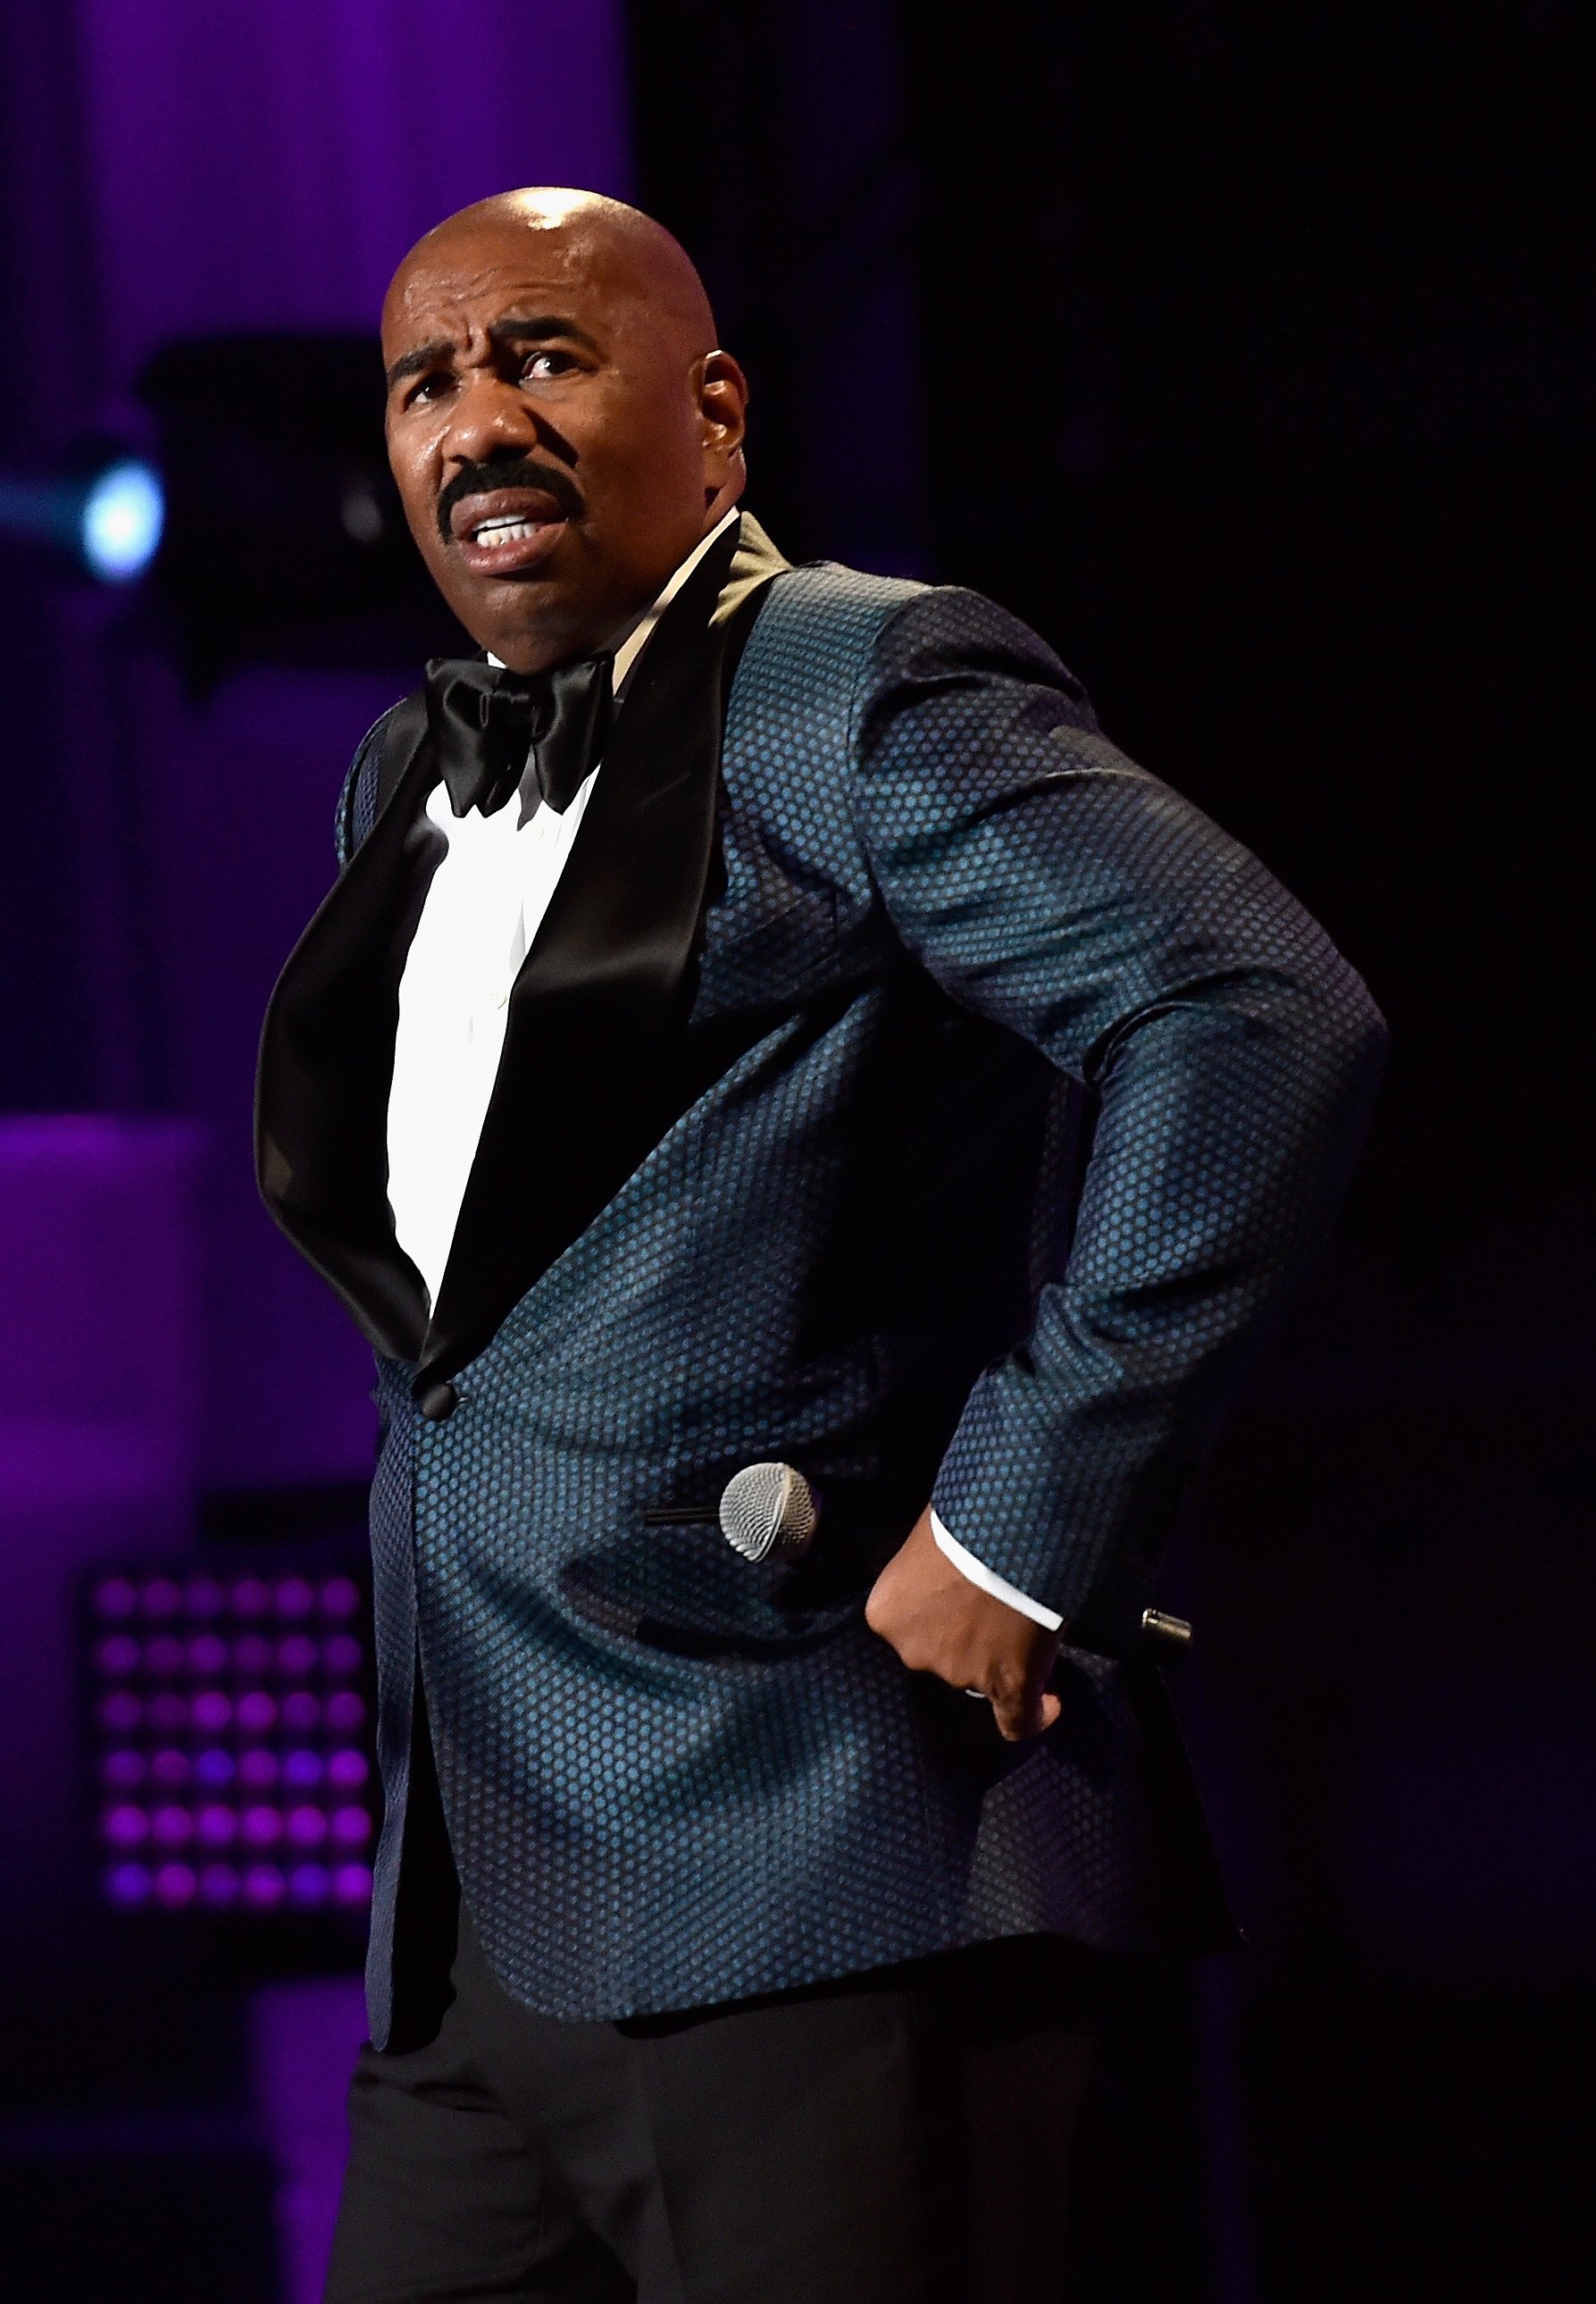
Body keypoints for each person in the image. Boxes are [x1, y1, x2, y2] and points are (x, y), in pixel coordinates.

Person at [257, 188, 1384, 2302]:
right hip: (480, 1913)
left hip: (810, 1855)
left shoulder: (853, 682)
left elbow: (1248, 1010)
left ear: (717, 414)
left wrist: (1024, 1522)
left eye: (542, 358)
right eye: (426, 383)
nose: (476, 420)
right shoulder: (402, 774)